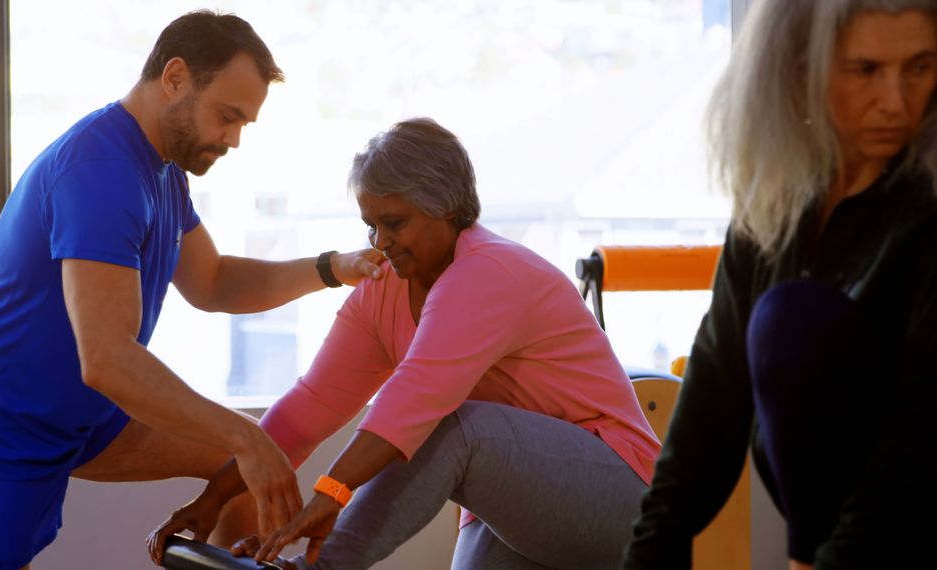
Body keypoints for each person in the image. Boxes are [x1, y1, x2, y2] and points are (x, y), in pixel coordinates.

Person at [0, 10, 382, 570]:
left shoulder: (160, 170)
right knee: (247, 445)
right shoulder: (102, 170)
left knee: (238, 464)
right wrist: (245, 438)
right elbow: (107, 360)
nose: (232, 139)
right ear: (176, 77)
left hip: (74, 416)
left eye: (243, 125)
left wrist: (332, 267)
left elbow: (214, 282)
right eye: (227, 117)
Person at [146, 118, 661, 570]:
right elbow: (308, 408)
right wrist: (212, 498)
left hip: (620, 494)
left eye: (396, 224)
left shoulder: (488, 273)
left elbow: (413, 401)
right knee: (452, 430)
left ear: (449, 209)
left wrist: (331, 493)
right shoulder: (382, 290)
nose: (381, 243)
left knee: (454, 426)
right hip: (515, 506)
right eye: (372, 226)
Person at [622, 1, 937, 568]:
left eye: (919, 66)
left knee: (794, 319)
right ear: (797, 70)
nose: (895, 101)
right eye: (865, 69)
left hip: (911, 521)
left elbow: (913, 450)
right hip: (830, 534)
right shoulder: (774, 205)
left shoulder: (929, 215)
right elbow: (710, 410)